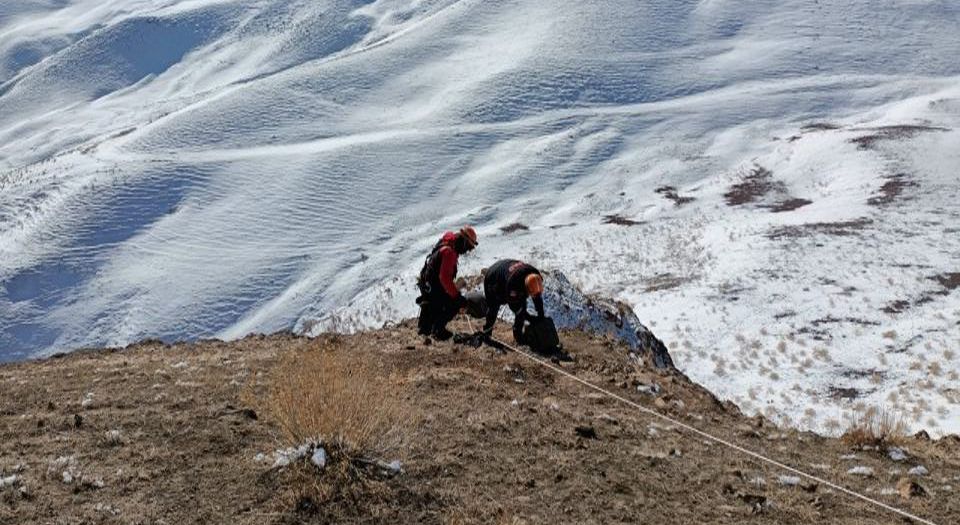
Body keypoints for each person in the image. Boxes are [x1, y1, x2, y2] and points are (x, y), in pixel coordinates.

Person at [416, 225, 478, 340]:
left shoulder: (447, 242)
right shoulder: (449, 252)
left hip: (427, 284)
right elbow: (444, 278)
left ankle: (425, 328)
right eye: (469, 247)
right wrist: (457, 297)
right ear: (464, 242)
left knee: (432, 307)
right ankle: (438, 331)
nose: (467, 251)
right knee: (455, 304)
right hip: (434, 287)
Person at [481, 259, 545, 344]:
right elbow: (515, 306)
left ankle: (518, 335)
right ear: (525, 287)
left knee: (522, 305)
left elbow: (536, 295)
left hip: (506, 270)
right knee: (494, 306)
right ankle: (487, 333)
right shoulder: (513, 284)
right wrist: (530, 318)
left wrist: (541, 314)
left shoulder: (535, 275)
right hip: (493, 278)